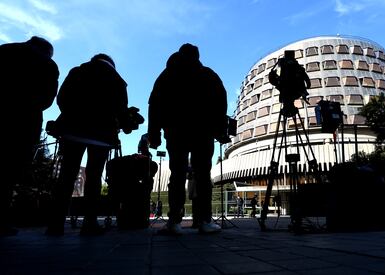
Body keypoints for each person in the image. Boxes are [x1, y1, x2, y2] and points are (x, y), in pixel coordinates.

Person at [46, 53, 142, 236]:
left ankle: (55, 224)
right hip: (101, 134)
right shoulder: (117, 80)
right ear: (111, 64)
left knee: (66, 176)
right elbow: (120, 110)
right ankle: (89, 223)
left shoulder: (77, 72)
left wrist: (74, 116)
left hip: (72, 130)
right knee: (94, 176)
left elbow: (62, 98)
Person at [148, 43, 229, 235]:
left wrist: (154, 133)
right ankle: (205, 221)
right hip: (203, 132)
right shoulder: (209, 75)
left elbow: (155, 104)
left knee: (177, 175)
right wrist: (219, 131)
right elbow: (221, 104)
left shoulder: (167, 75)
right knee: (203, 176)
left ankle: (174, 222)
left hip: (176, 132)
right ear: (198, 56)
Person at [0, 36, 59, 236]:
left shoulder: (4, 51)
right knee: (8, 172)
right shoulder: (48, 65)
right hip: (23, 122)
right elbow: (48, 98)